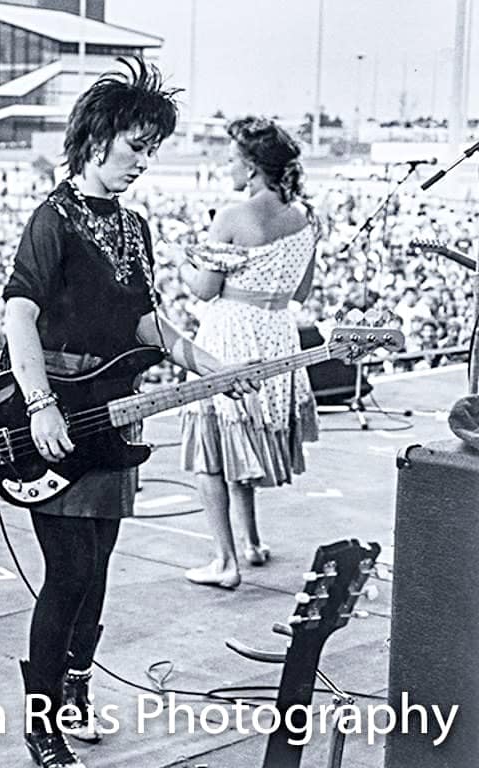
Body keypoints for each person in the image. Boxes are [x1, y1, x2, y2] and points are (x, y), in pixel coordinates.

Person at [1, 58, 255, 768]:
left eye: (152, 149)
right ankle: (40, 720)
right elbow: (19, 312)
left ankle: (77, 686)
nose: (143, 163)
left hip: (115, 412)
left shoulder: (134, 226)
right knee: (69, 571)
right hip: (54, 415)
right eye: (135, 146)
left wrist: (210, 368)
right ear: (97, 137)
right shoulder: (51, 219)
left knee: (101, 561)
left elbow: (149, 324)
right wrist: (40, 403)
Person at [178, 116, 320, 589]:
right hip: (278, 333)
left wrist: (187, 263)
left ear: (253, 167)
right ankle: (252, 541)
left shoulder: (232, 216)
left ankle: (225, 561)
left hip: (231, 334)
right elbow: (303, 289)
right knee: (242, 444)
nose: (226, 166)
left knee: (212, 452)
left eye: (232, 158)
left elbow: (204, 290)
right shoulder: (303, 217)